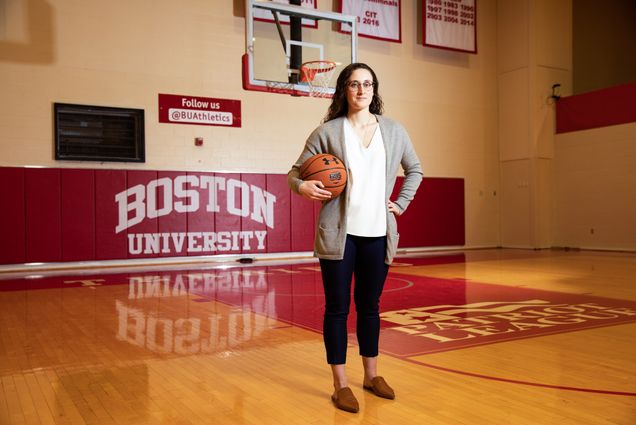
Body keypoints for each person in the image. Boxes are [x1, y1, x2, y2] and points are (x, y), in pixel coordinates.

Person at [287, 63, 423, 413]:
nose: (361, 90)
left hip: (378, 234)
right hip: (339, 236)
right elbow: (294, 172)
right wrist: (303, 185)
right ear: (344, 90)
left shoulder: (393, 131)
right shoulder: (328, 131)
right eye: (354, 84)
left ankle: (372, 375)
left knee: (371, 308)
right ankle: (340, 384)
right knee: (337, 309)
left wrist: (401, 203)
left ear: (375, 89)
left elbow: (415, 169)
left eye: (368, 84)